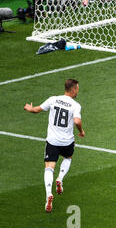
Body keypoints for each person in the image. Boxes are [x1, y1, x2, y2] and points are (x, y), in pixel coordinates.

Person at [24, 79, 85, 212]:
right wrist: (81, 131)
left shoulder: (53, 99)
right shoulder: (75, 105)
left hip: (52, 141)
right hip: (67, 141)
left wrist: (29, 108)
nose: (78, 91)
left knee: (49, 168)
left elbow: (37, 110)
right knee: (68, 158)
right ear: (73, 89)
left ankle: (48, 196)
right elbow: (77, 121)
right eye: (77, 89)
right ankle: (60, 179)